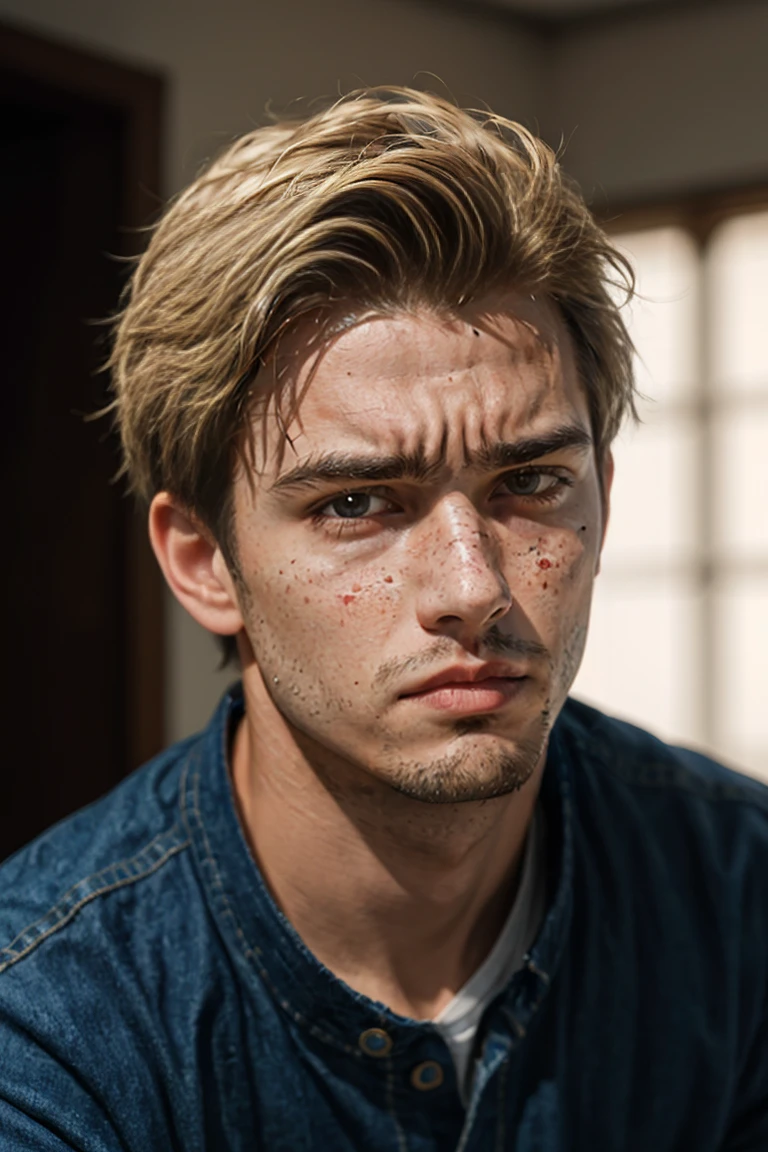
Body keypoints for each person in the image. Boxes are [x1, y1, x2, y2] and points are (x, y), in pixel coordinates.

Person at [0, 87, 765, 1152]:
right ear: (204, 561)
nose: (473, 587)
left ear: (605, 495)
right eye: (357, 503)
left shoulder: (736, 892)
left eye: (532, 482)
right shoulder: (46, 1027)